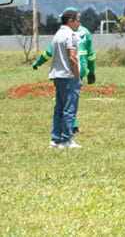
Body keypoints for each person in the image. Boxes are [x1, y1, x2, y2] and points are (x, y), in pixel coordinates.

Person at [32, 6, 96, 134]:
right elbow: (91, 54)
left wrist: (38, 62)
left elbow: (48, 53)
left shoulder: (63, 34)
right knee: (71, 98)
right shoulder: (86, 32)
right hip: (81, 66)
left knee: (65, 101)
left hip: (68, 69)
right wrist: (91, 71)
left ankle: (70, 128)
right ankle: (70, 128)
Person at [47, 8, 82, 148]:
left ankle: (55, 139)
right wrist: (77, 74)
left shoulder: (57, 35)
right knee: (69, 108)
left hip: (58, 75)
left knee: (59, 108)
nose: (79, 23)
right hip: (68, 76)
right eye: (78, 20)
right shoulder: (71, 35)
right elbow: (72, 57)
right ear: (70, 21)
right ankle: (67, 139)